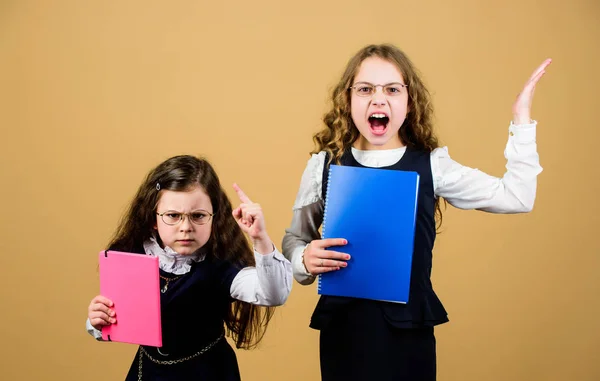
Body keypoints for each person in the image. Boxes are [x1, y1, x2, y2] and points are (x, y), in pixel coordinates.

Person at [282, 43, 551, 381]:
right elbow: (294, 237)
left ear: (408, 103)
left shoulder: (433, 166)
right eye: (365, 89)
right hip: (343, 333)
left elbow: (517, 197)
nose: (378, 100)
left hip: (408, 336)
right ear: (347, 100)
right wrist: (304, 258)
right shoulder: (323, 166)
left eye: (392, 89)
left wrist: (521, 121)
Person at [86, 154, 292, 381]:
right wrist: (98, 319)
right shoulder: (133, 255)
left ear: (215, 217)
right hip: (149, 373)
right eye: (172, 216)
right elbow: (113, 320)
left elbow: (273, 294)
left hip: (208, 373)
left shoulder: (222, 266)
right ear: (154, 218)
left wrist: (260, 238)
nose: (186, 227)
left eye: (198, 216)